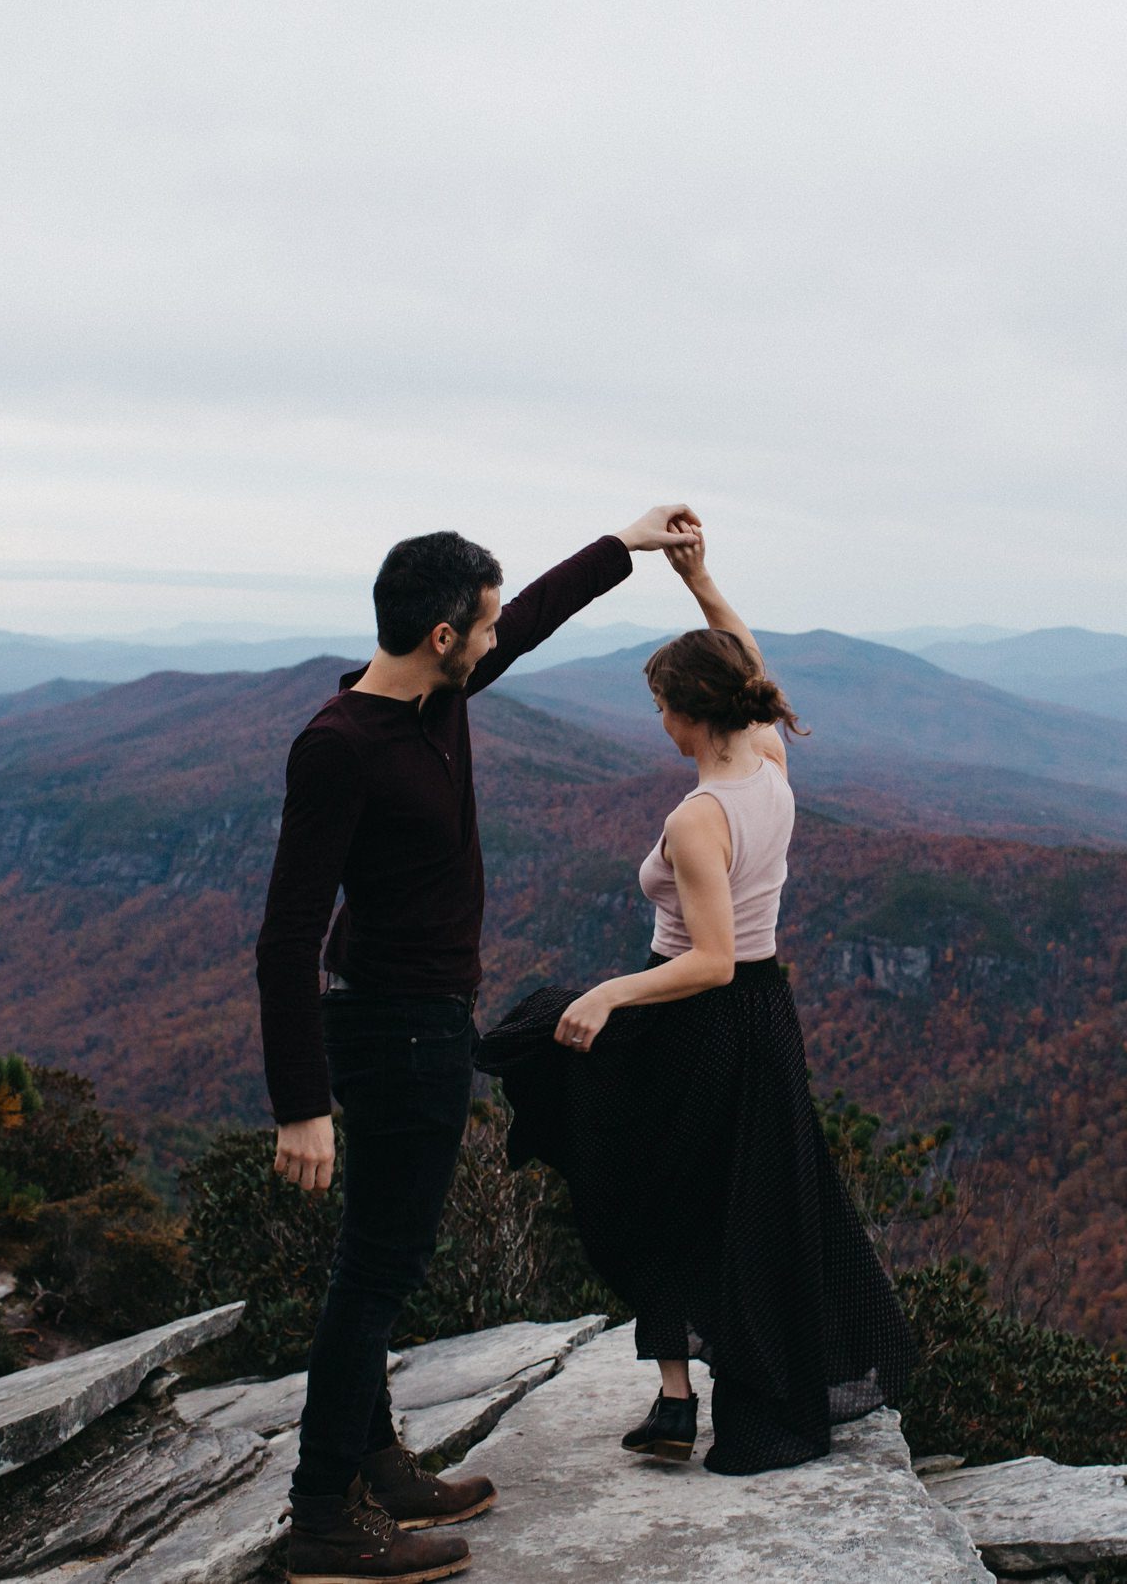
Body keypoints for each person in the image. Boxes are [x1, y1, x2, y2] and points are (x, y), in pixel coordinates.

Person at [259, 506, 697, 1584]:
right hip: (388, 1029)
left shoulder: (437, 703)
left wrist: (623, 546)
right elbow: (283, 933)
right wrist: (300, 1102)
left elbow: (535, 615)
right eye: (483, 625)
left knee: (376, 1256)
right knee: (380, 1268)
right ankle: (322, 1513)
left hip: (432, 1019)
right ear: (442, 635)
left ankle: (375, 1461)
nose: (498, 637)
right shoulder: (340, 745)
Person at [476, 524, 918, 1476]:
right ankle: (676, 1397)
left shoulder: (697, 816)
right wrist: (700, 581)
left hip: (695, 1020)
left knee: (606, 1146)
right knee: (723, 1202)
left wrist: (609, 992)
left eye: (661, 705)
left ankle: (679, 1390)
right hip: (767, 1023)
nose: (658, 722)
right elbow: (749, 663)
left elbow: (711, 958)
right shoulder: (768, 757)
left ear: (688, 713)